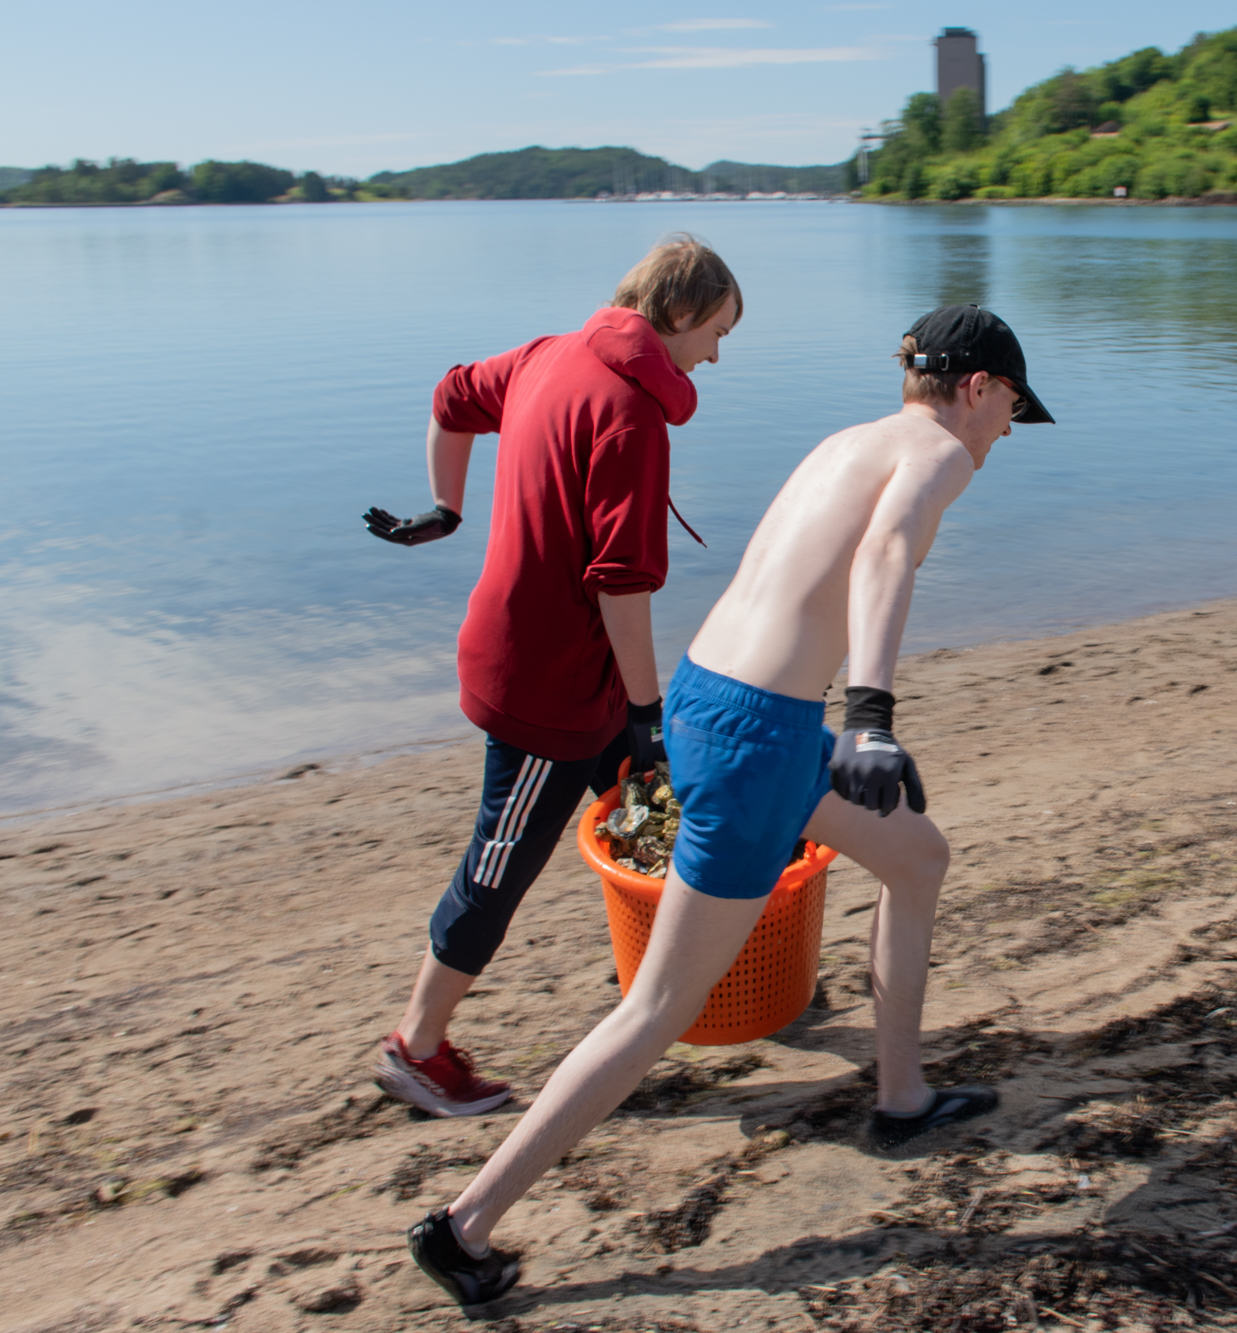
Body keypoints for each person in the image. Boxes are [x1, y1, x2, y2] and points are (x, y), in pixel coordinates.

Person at [405, 305, 1054, 1305]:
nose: (1008, 429)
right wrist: (871, 715)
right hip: (755, 740)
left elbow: (785, 600)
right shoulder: (936, 450)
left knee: (918, 857)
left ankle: (899, 1095)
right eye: (1012, 405)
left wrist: (828, 740)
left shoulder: (850, 440)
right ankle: (464, 1226)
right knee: (657, 1008)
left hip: (729, 703)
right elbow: (883, 558)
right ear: (976, 387)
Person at [362, 235, 741, 1118]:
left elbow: (452, 397)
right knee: (500, 864)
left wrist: (446, 508)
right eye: (717, 331)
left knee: (662, 808)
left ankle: (685, 989)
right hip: (550, 688)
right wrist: (646, 711)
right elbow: (620, 582)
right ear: (677, 313)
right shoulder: (631, 414)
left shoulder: (544, 356)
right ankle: (415, 1047)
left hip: (575, 670)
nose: (717, 354)